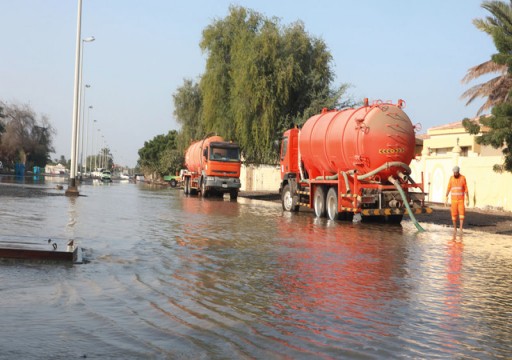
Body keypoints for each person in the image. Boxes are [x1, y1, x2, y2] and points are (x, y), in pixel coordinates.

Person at [445, 166, 469, 232]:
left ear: (458, 172)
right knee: (454, 214)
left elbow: (466, 188)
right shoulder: (451, 178)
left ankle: (461, 228)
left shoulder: (463, 178)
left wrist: (467, 198)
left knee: (462, 214)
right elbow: (449, 187)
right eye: (454, 173)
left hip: (461, 200)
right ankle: (455, 229)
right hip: (453, 200)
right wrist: (446, 196)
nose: (455, 174)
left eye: (456, 173)